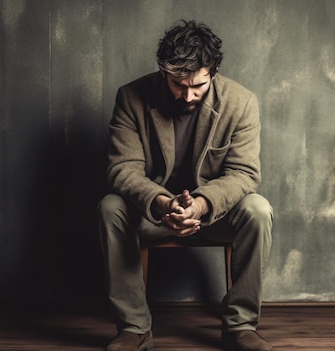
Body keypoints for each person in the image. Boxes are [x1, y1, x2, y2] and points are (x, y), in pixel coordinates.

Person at [98, 20, 273, 351]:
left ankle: (240, 326)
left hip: (214, 218)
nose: (188, 95)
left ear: (214, 71)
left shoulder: (242, 102)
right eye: (179, 84)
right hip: (153, 216)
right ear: (163, 71)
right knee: (110, 206)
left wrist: (202, 205)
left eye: (199, 86)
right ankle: (134, 328)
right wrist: (165, 204)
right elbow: (122, 169)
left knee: (258, 209)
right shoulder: (131, 97)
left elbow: (244, 173)